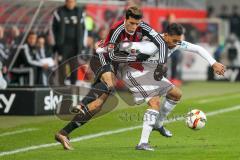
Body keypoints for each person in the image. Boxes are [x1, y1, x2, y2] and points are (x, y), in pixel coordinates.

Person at [55, 6, 168, 150]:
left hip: (114, 64)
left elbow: (161, 43)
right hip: (101, 58)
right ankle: (81, 104)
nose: (134, 27)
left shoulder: (144, 27)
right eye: (131, 23)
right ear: (126, 19)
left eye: (137, 24)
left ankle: (63, 133)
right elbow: (112, 55)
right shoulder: (117, 29)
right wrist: (135, 57)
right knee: (109, 82)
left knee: (96, 106)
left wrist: (160, 65)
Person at [117, 23, 225, 151]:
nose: (176, 44)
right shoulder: (151, 43)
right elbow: (123, 46)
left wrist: (213, 63)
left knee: (176, 94)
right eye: (174, 40)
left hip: (151, 73)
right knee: (154, 102)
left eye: (178, 41)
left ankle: (158, 124)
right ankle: (143, 143)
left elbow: (197, 48)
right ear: (166, 35)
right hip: (135, 73)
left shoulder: (176, 42)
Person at [52, 0, 87, 85]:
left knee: (74, 67)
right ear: (66, 2)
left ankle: (73, 85)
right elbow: (53, 29)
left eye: (72, 2)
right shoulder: (59, 12)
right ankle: (61, 86)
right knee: (62, 67)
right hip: (63, 45)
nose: (71, 3)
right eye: (69, 1)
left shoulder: (80, 12)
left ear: (75, 2)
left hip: (75, 45)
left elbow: (84, 30)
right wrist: (56, 44)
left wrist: (82, 44)